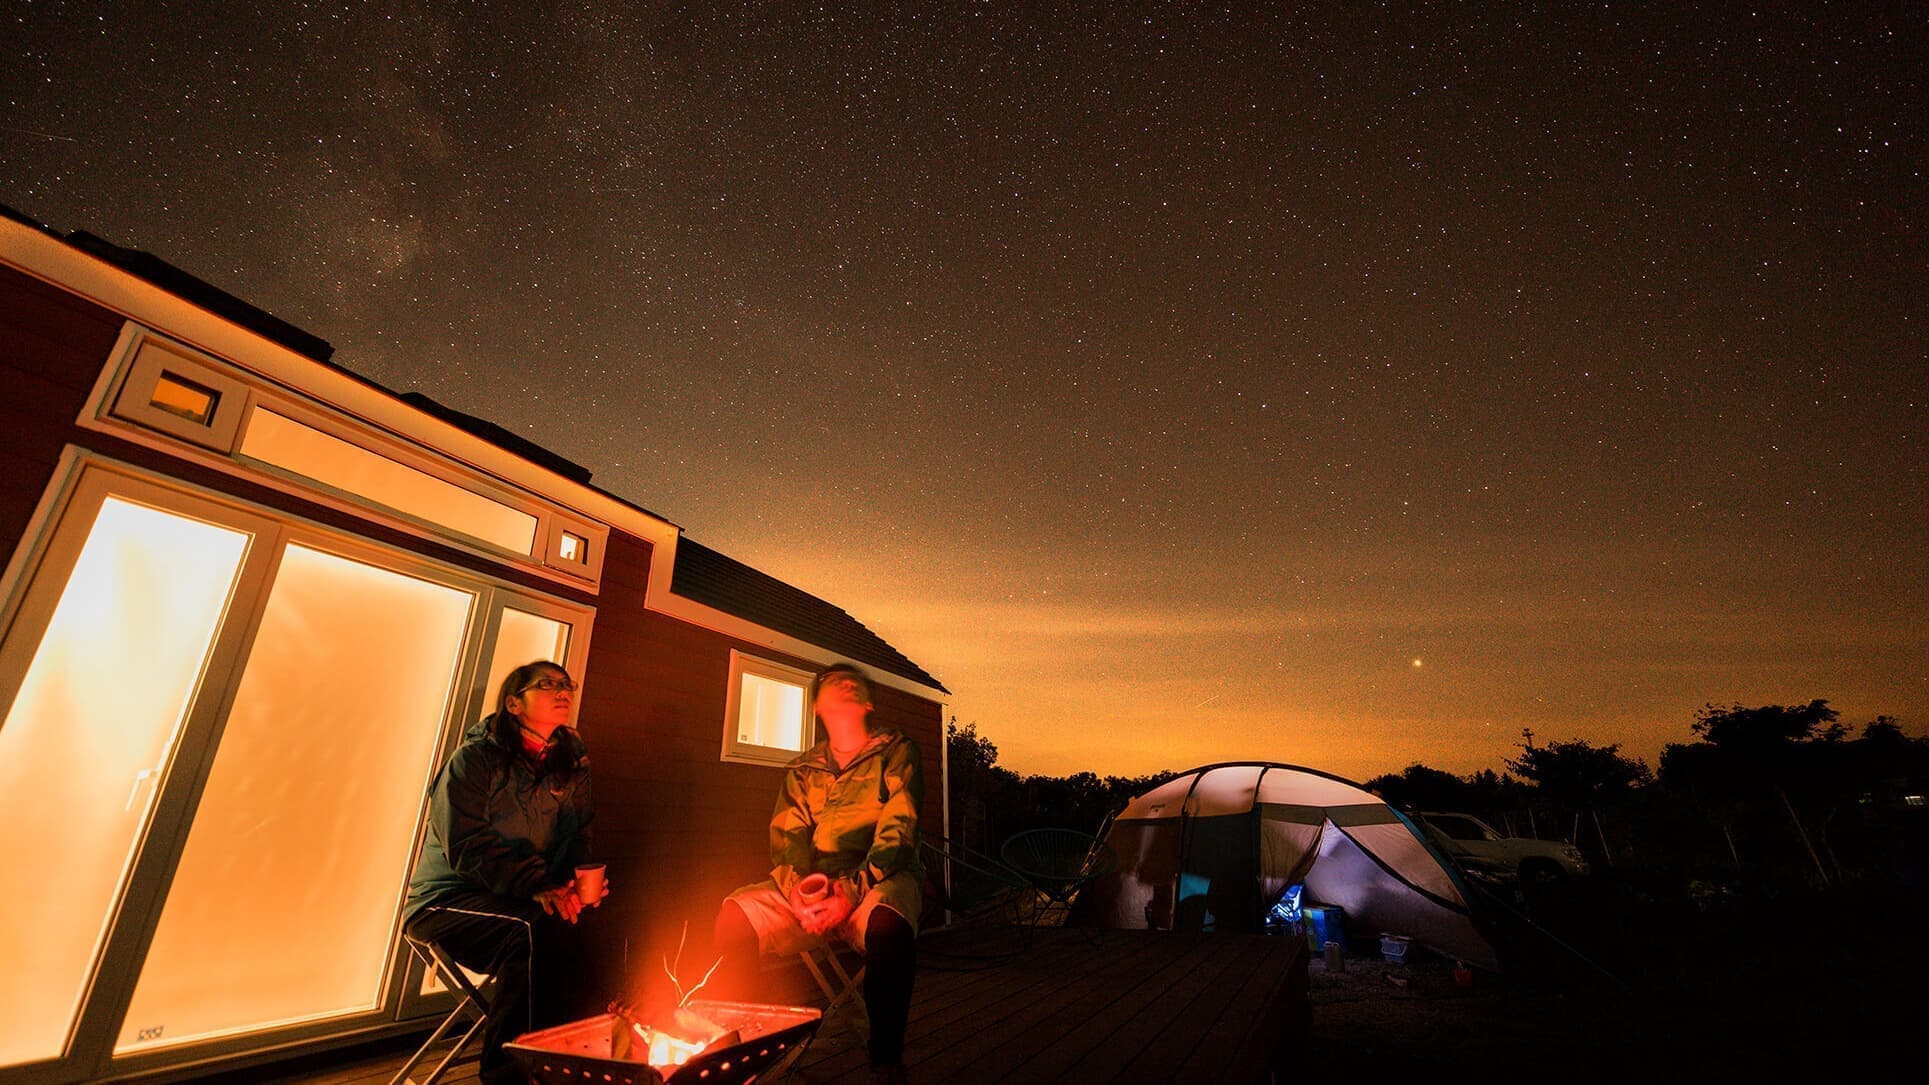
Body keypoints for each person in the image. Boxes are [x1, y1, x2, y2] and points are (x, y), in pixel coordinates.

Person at [714, 662, 924, 1085]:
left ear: (867, 702)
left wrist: (850, 891)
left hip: (877, 883)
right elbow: (787, 837)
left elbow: (898, 831)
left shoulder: (897, 751)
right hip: (809, 894)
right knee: (735, 915)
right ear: (817, 708)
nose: (842, 686)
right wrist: (799, 893)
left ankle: (885, 1060)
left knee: (890, 925)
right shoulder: (802, 768)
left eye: (852, 684)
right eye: (831, 685)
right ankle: (737, 1053)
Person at [404, 660, 602, 1085]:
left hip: (517, 895)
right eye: (547, 684)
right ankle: (510, 1076)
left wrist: (576, 883)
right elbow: (466, 844)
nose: (562, 691)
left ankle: (577, 1060)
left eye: (567, 684)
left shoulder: (568, 764)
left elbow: (576, 834)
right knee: (532, 930)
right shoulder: (476, 760)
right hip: (448, 899)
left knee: (587, 923)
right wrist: (537, 885)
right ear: (514, 703)